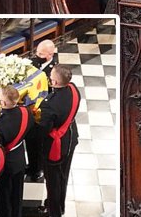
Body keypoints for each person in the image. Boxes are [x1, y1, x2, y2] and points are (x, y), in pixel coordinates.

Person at [38, 65, 80, 217]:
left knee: (53, 181)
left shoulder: (49, 104)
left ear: (54, 83)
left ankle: (54, 211)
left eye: (51, 77)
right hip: (70, 138)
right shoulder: (73, 89)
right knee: (64, 175)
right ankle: (59, 206)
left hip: (55, 147)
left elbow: (43, 129)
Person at [0, 85, 31, 217]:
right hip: (19, 159)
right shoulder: (25, 112)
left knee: (5, 197)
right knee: (17, 194)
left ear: (4, 102)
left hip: (6, 164)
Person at [24, 40, 57, 182]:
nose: (37, 55)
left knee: (39, 143)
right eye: (37, 52)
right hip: (30, 108)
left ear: (49, 55)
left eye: (41, 54)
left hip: (42, 113)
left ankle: (37, 169)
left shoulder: (53, 71)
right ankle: (31, 165)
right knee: (30, 141)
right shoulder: (34, 63)